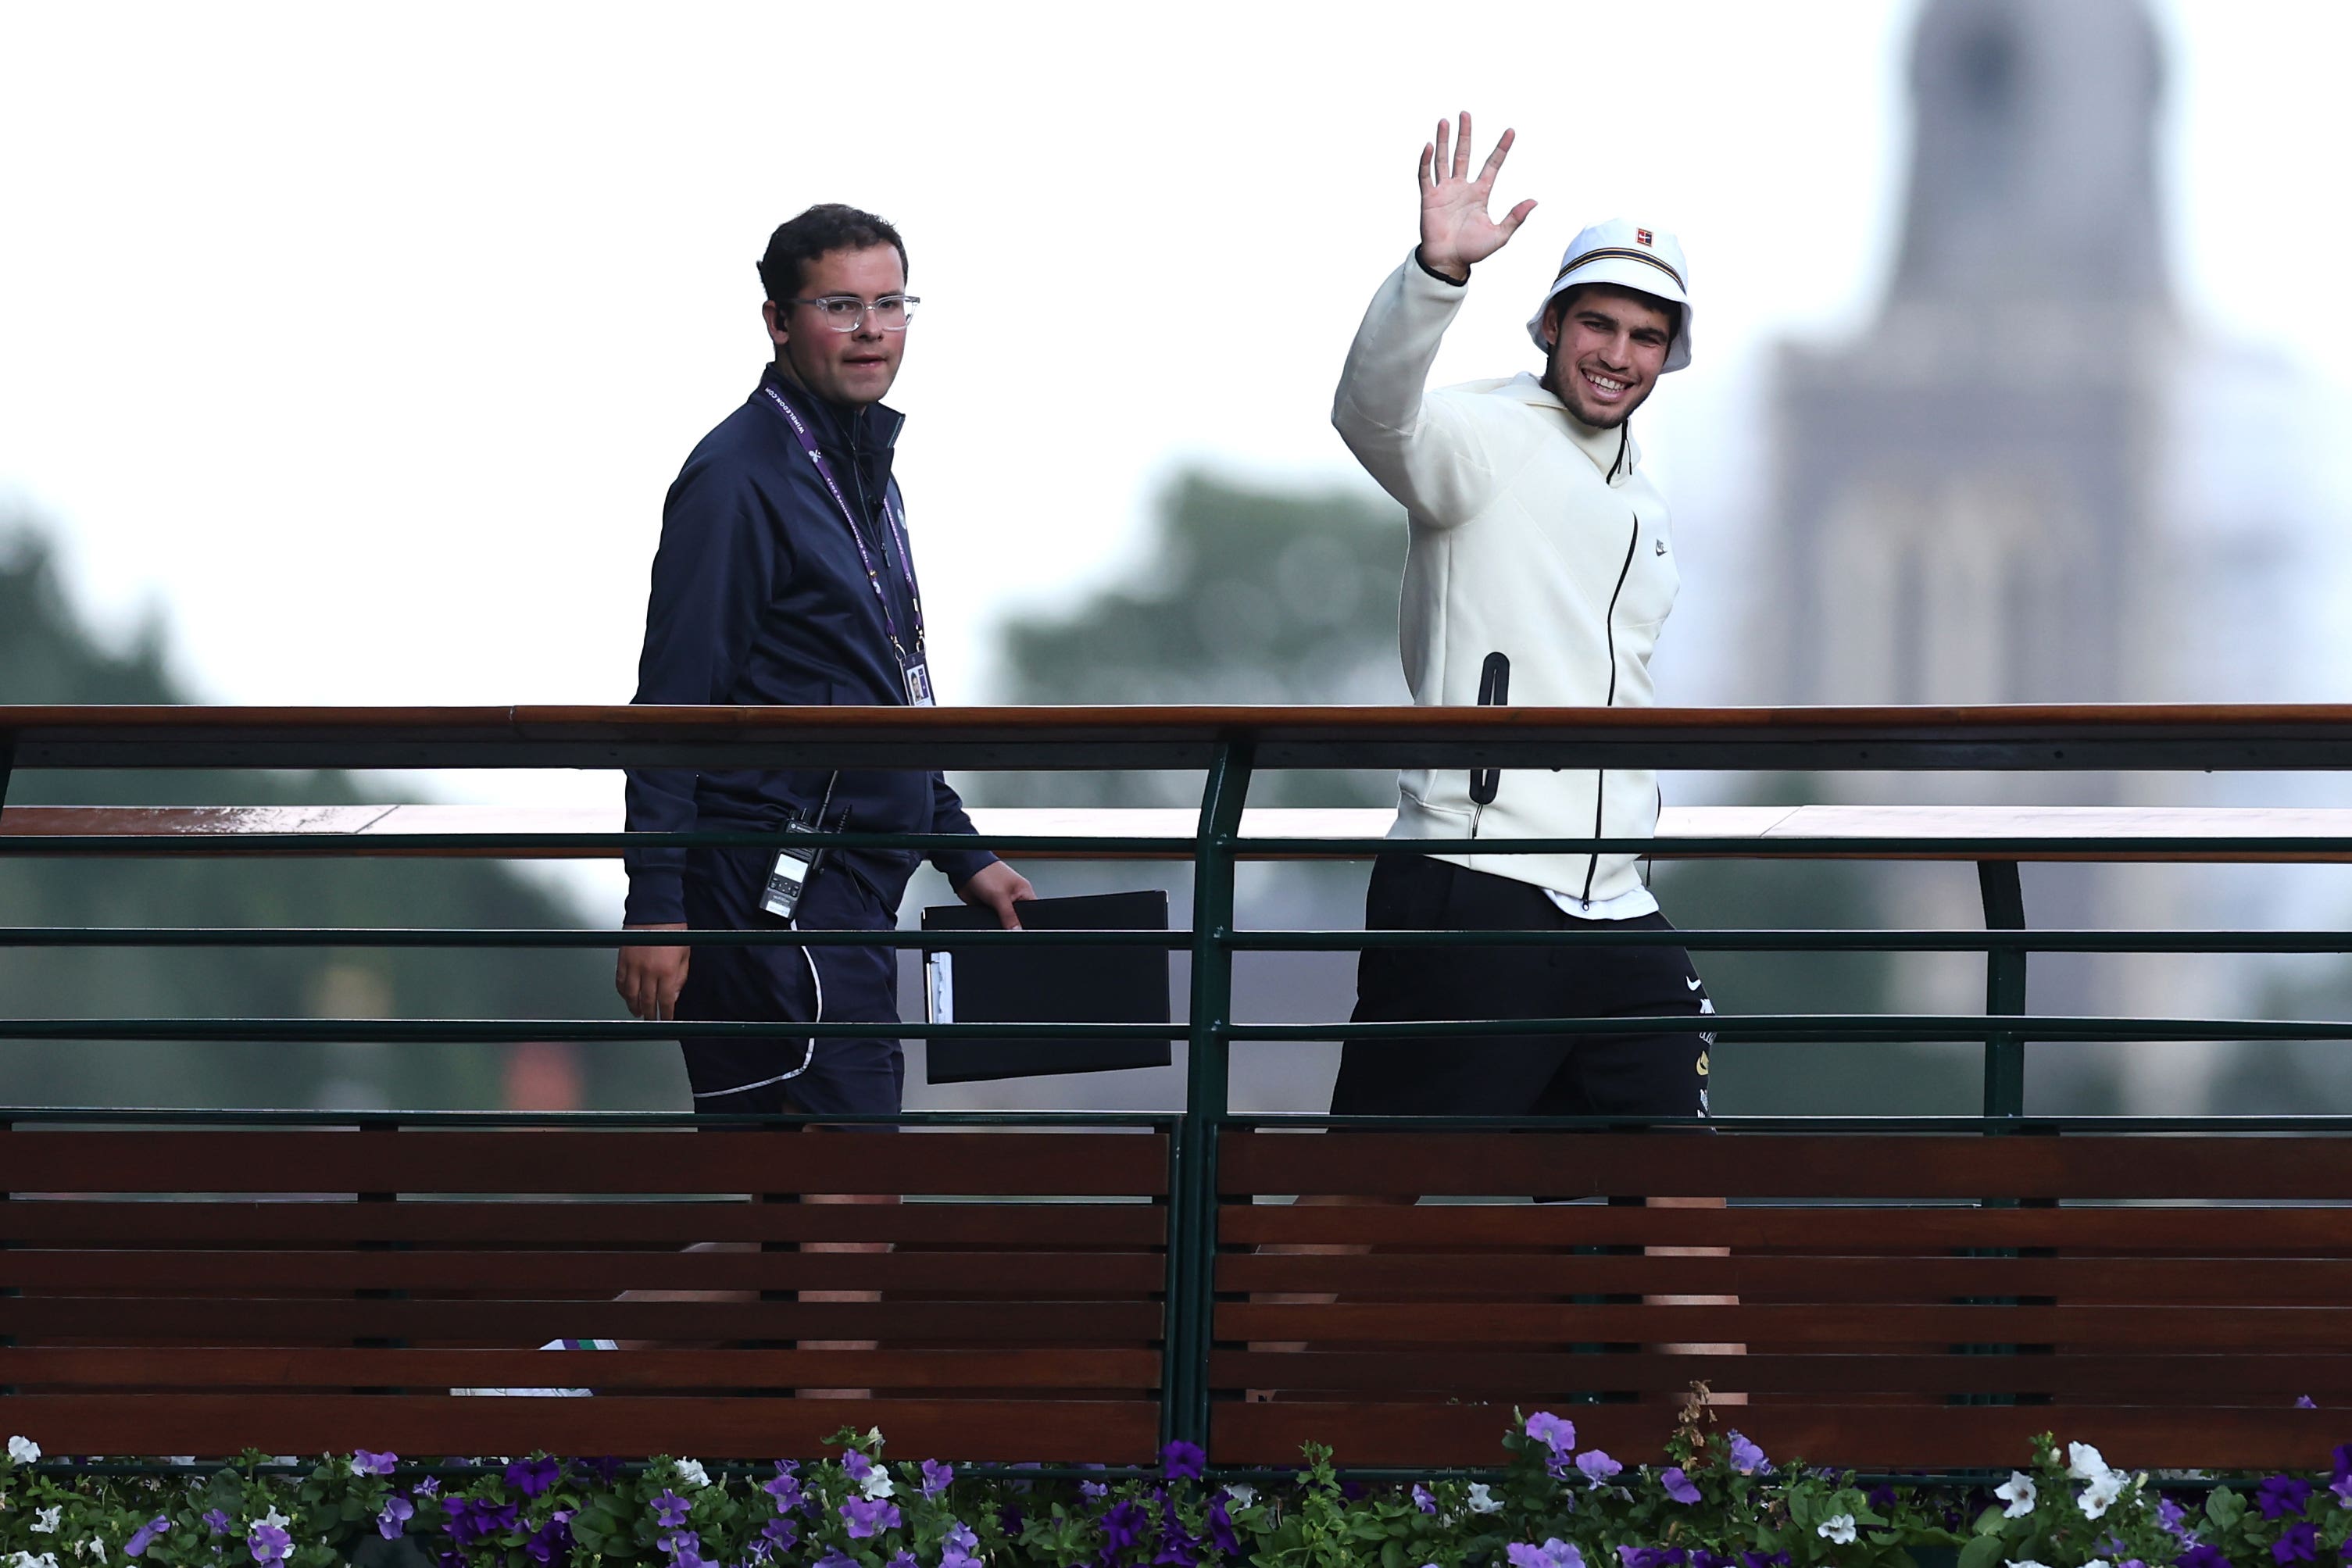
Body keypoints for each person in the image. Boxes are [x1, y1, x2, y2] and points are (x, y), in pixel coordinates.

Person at [1273, 114, 1736, 1399]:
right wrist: (1436, 277)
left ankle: (1729, 1479)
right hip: (1474, 877)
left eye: (1648, 338)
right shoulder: (1479, 437)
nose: (1620, 354)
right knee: (1372, 1191)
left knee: (1675, 1198)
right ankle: (1239, 1434)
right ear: (1552, 327)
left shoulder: (1644, 491)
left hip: (1616, 904)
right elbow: (1369, 414)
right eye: (1600, 325)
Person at [615, 202, 1034, 1110]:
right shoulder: (737, 477)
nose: (871, 330)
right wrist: (655, 903)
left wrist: (961, 850)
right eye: (839, 306)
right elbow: (671, 702)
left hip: (846, 894)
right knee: (835, 1205)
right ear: (777, 320)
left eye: (890, 304)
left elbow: (885, 686)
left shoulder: (861, 470)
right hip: (770, 896)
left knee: (806, 1207)